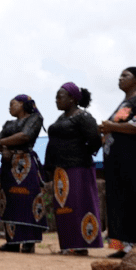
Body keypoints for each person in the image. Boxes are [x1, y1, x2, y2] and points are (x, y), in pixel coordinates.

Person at [98, 67, 136, 257]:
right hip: (119, 167)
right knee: (119, 204)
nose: (120, 78)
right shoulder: (123, 104)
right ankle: (122, 247)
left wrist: (112, 126)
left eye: (125, 75)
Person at [45, 83, 103, 255]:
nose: (56, 100)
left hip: (78, 168)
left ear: (72, 99)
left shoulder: (83, 116)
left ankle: (81, 245)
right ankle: (68, 244)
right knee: (64, 208)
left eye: (60, 96)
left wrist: (82, 153)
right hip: (60, 169)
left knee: (79, 206)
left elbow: (94, 138)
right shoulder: (61, 119)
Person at [0, 94, 46, 253]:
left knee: (27, 200)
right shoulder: (9, 123)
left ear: (23, 104)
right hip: (8, 164)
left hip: (26, 163)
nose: (10, 107)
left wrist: (2, 143)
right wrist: (4, 149)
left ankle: (29, 241)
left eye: (12, 104)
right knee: (10, 201)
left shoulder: (35, 118)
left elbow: (25, 136)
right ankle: (12, 242)